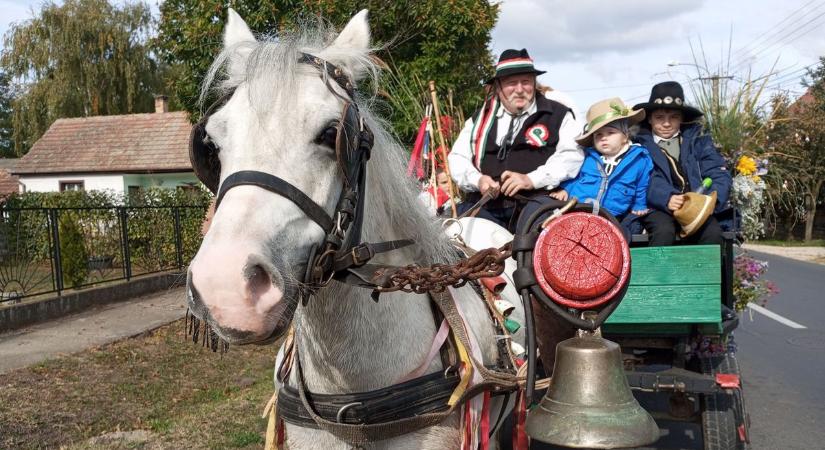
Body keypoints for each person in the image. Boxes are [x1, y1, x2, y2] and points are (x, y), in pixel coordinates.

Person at [448, 49, 583, 232]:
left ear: (534, 83)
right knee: (455, 230)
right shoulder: (479, 120)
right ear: (498, 87)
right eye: (511, 83)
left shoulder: (558, 114)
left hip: (536, 203)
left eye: (525, 82)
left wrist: (530, 180)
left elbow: (571, 156)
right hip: (487, 205)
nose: (519, 90)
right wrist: (478, 180)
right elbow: (457, 158)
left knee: (533, 234)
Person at [633, 81, 732, 245]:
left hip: (697, 207)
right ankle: (659, 264)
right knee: (663, 231)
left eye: (674, 117)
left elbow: (718, 173)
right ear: (649, 119)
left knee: (713, 233)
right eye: (659, 117)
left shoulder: (699, 142)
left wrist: (708, 201)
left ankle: (707, 264)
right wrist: (667, 197)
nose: (666, 123)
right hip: (658, 208)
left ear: (682, 119)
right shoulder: (637, 146)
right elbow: (643, 179)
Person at [549, 98, 652, 236]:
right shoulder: (588, 157)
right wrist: (565, 189)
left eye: (610, 133)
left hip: (612, 214)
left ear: (625, 136)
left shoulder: (639, 159)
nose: (604, 138)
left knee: (618, 236)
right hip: (580, 209)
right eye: (598, 135)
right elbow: (575, 176)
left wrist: (639, 204)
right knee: (569, 234)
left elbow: (641, 184)